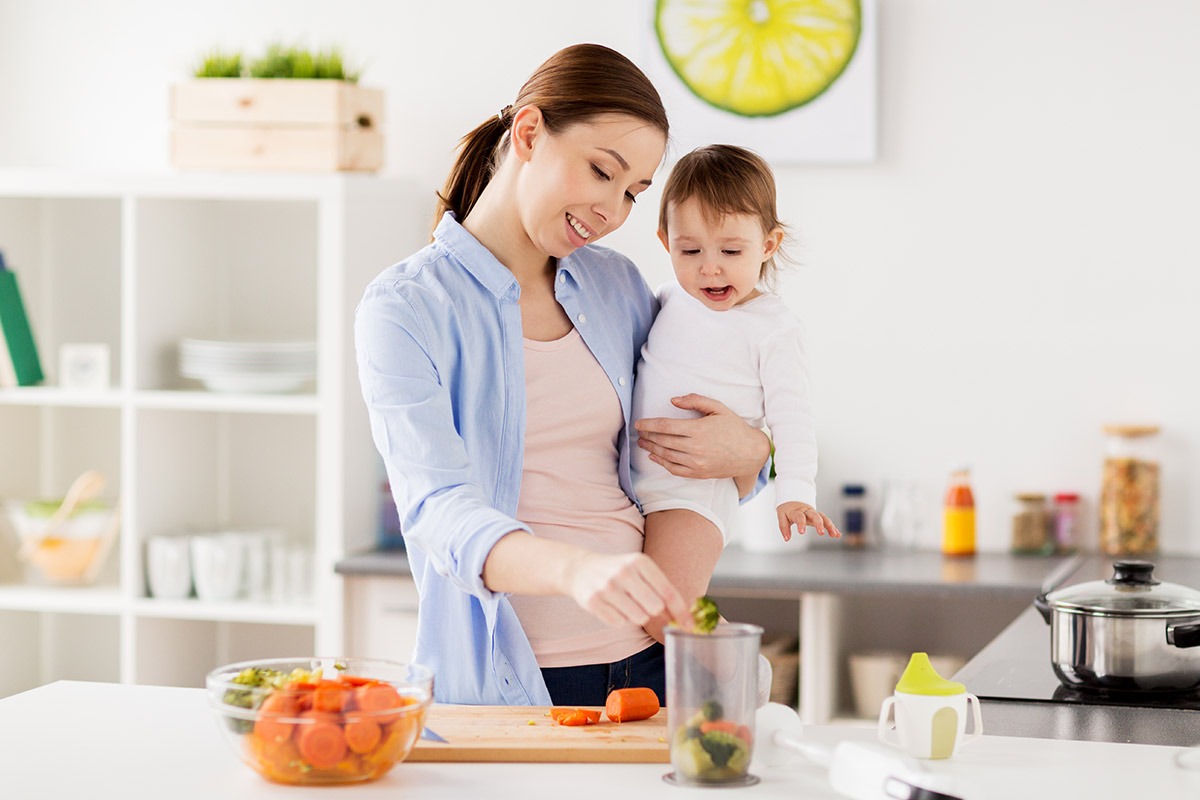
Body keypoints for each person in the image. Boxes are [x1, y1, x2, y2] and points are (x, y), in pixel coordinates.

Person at [354, 44, 771, 708]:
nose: (612, 210)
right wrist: (576, 570)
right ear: (528, 133)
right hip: (515, 681)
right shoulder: (406, 307)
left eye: (633, 192)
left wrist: (755, 451)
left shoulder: (618, 287)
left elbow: (694, 439)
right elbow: (438, 511)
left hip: (653, 664)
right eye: (602, 172)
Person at [632, 144, 840, 641]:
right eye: (690, 251)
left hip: (694, 493)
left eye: (730, 251)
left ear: (768, 245)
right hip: (634, 484)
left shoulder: (773, 327)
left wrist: (795, 492)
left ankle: (743, 673)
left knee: (667, 613)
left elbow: (792, 416)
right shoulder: (665, 299)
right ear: (665, 242)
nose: (710, 269)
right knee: (639, 604)